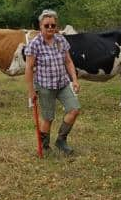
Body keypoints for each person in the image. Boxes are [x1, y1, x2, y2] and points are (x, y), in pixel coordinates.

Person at [25, 9, 81, 156]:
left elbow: (68, 61)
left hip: (62, 83)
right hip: (45, 87)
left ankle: (61, 140)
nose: (50, 28)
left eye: (53, 25)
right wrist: (31, 91)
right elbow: (29, 68)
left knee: (74, 109)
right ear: (40, 26)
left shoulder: (61, 40)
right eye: (47, 25)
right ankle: (44, 146)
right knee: (48, 118)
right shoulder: (34, 44)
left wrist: (74, 80)